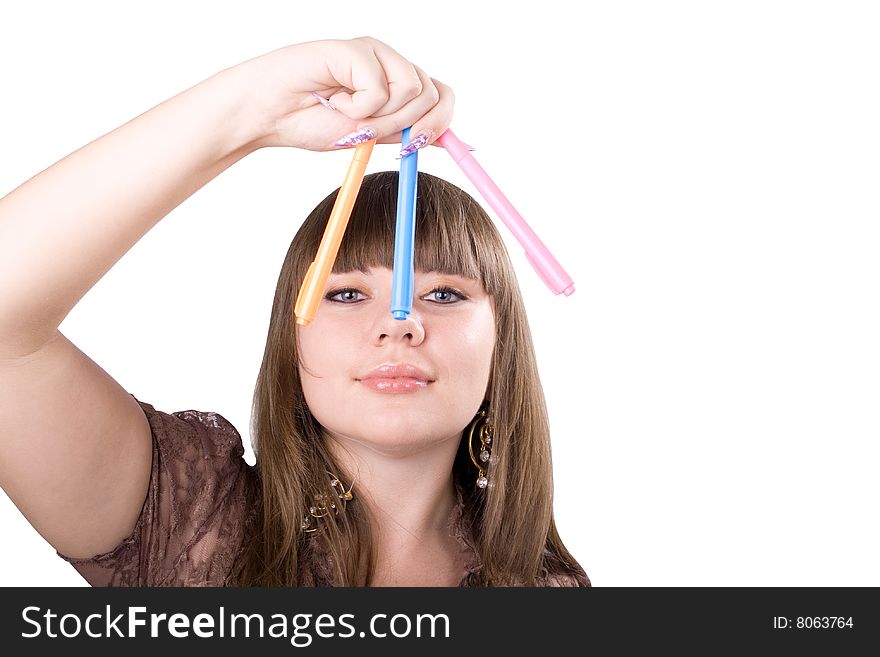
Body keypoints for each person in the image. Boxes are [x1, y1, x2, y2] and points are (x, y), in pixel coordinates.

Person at [0, 36, 590, 587]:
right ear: (294, 335)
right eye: (347, 294)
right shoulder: (190, 515)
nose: (398, 322)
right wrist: (252, 111)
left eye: (444, 295)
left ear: (500, 339)